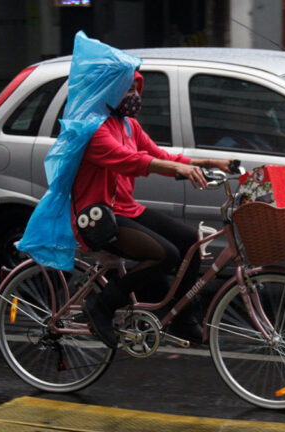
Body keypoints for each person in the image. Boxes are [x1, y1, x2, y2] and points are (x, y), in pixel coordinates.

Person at [75, 70, 233, 349]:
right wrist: (178, 168)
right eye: (126, 91)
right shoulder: (95, 130)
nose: (133, 97)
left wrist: (211, 163)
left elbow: (160, 155)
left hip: (127, 209)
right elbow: (132, 161)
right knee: (165, 255)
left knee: (190, 243)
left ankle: (182, 315)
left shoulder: (128, 126)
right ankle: (102, 304)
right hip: (101, 216)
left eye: (135, 89)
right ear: (108, 94)